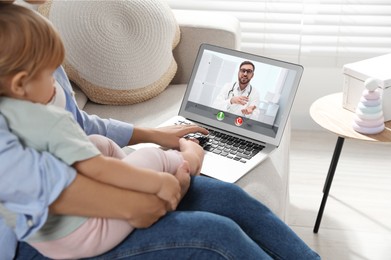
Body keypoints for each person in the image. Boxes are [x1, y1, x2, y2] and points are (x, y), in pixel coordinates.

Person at [0, 2, 320, 259]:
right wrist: (169, 182)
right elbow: (47, 189)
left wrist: (154, 135)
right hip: (44, 237)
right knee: (216, 236)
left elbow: (73, 122)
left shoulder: (24, 28)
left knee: (232, 200)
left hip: (86, 183)